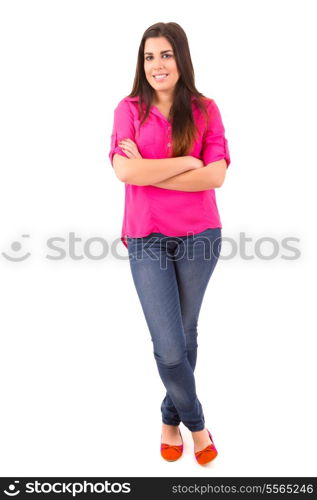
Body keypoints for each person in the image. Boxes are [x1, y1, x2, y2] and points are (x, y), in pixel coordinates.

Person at [108, 22, 231, 466]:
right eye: (148, 57)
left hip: (200, 236)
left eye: (165, 55)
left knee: (186, 331)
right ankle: (197, 425)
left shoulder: (205, 109)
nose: (156, 65)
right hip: (146, 237)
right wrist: (186, 162)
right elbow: (126, 173)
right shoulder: (129, 110)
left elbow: (215, 176)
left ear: (181, 57)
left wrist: (152, 169)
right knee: (170, 345)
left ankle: (168, 418)